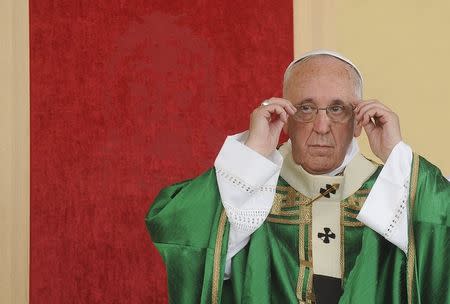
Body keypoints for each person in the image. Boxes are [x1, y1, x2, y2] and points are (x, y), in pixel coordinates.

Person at [146, 50, 449, 304]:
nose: (321, 125)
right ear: (285, 116)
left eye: (337, 108)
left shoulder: (393, 191)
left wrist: (396, 154)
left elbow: (441, 234)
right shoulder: (250, 188)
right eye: (305, 108)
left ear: (359, 121)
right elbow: (178, 228)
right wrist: (251, 154)